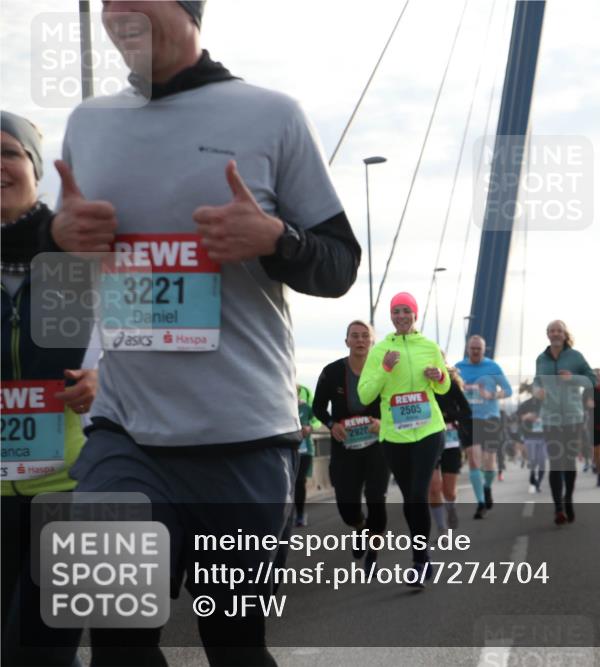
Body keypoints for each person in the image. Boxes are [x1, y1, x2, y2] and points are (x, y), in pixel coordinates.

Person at [53, 3, 362, 663]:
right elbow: (75, 251)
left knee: (233, 643)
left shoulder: (271, 115)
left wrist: (276, 238)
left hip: (242, 441)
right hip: (124, 435)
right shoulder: (88, 123)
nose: (116, 11)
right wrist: (63, 234)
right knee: (114, 634)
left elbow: (340, 262)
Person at [1, 110, 100, 667]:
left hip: (71, 491)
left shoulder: (76, 259)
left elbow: (138, 344)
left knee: (34, 652)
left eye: (10, 153)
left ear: (37, 170)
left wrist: (105, 378)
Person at [358, 293, 450, 587]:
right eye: (396, 311)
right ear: (391, 316)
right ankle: (422, 555)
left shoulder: (429, 346)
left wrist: (439, 376)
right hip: (395, 435)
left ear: (415, 314)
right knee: (411, 496)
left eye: (406, 311)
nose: (401, 316)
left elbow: (445, 387)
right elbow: (365, 394)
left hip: (428, 430)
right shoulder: (380, 350)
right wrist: (384, 368)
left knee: (417, 494)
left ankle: (420, 561)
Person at [312, 321, 386, 572]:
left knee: (377, 499)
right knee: (346, 504)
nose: (360, 340)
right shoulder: (332, 372)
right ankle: (359, 527)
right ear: (347, 341)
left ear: (372, 341)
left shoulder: (383, 371)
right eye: (355, 336)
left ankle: (373, 554)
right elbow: (318, 408)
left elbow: (394, 402)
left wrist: (383, 421)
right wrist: (332, 424)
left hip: (377, 446)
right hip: (345, 447)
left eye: (366, 336)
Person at [533, 320, 596, 525]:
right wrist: (536, 390)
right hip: (550, 416)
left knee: (568, 462)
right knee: (556, 463)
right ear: (547, 334)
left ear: (564, 333)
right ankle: (558, 508)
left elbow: (592, 379)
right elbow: (536, 381)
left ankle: (568, 498)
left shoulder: (575, 357)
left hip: (573, 417)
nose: (555, 333)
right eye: (552, 330)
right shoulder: (541, 359)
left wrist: (573, 378)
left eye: (559, 330)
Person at [455, 335, 512, 519]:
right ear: (467, 349)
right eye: (472, 348)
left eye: (479, 349)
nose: (475, 352)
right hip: (469, 419)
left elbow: (508, 390)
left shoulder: (493, 367)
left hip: (490, 418)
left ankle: (487, 487)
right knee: (473, 459)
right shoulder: (459, 368)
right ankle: (480, 503)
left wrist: (491, 395)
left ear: (484, 349)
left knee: (489, 462)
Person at [430, 354, 472, 532]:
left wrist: (448, 417)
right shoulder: (417, 383)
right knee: (433, 488)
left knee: (449, 491)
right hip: (428, 439)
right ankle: (441, 528)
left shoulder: (450, 383)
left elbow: (466, 410)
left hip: (450, 440)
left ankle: (451, 508)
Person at [293, 383, 320, 527]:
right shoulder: (282, 408)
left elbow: (317, 421)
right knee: (290, 483)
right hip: (289, 451)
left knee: (299, 481)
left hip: (305, 450)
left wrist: (309, 427)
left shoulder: (306, 407)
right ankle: (290, 514)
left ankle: (300, 514)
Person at [517, 381, 546, 493]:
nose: (540, 391)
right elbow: (517, 417)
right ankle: (532, 476)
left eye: (542, 389)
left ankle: (538, 483)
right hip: (530, 436)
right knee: (533, 461)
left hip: (545, 437)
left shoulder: (548, 403)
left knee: (542, 461)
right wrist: (526, 416)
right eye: (538, 389)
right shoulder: (526, 404)